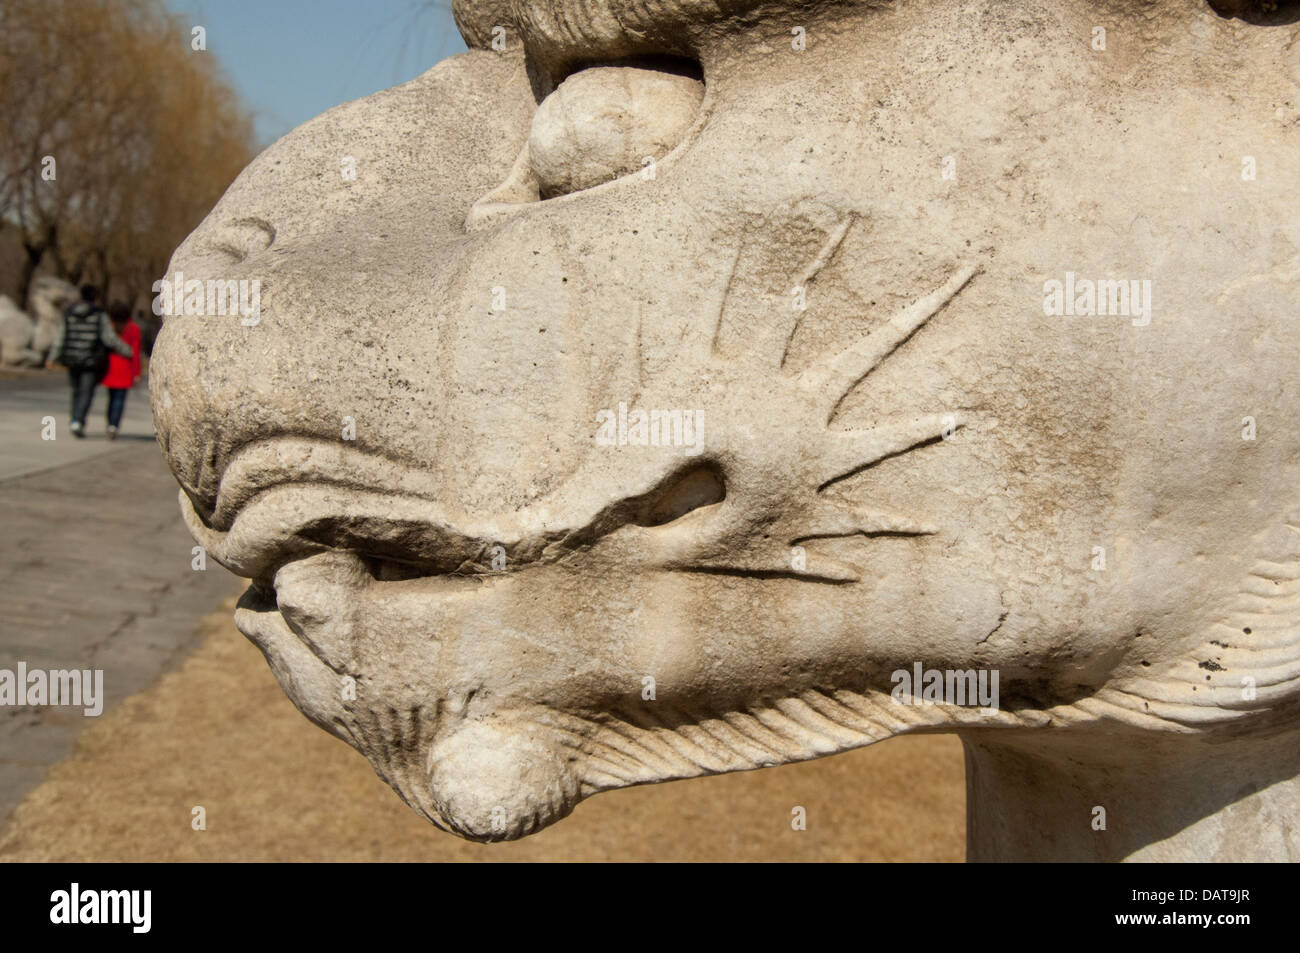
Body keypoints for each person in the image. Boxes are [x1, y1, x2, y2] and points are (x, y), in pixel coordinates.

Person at [46, 284, 133, 438]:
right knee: (86, 392)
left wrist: (52, 357)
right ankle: (78, 421)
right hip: (91, 360)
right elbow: (109, 338)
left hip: (72, 358)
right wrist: (126, 350)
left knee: (76, 391)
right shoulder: (98, 314)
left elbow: (61, 336)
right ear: (95, 297)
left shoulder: (69, 313)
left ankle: (75, 420)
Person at [102, 301, 142, 440]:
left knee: (111, 398)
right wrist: (137, 372)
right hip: (125, 368)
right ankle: (114, 425)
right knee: (120, 399)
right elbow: (135, 352)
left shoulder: (109, 327)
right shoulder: (133, 329)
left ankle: (109, 423)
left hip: (110, 367)